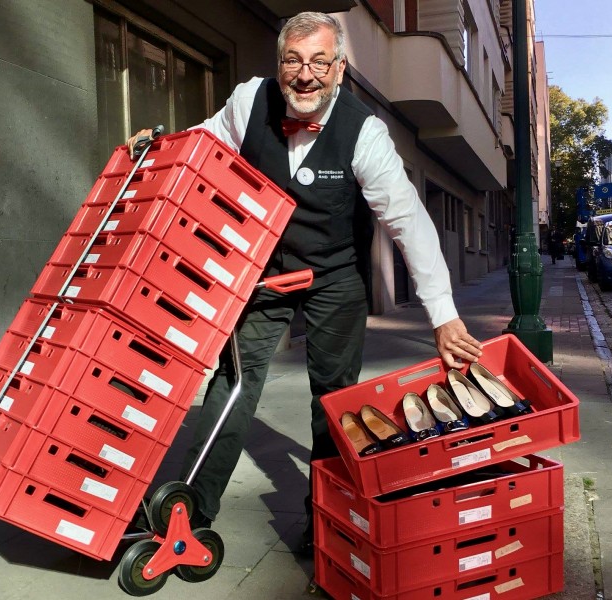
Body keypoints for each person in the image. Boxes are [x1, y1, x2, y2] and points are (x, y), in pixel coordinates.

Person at [128, 11, 482, 554]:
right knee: (233, 384)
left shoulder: (364, 132)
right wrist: (157, 148)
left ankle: (327, 522)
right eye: (293, 60)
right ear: (279, 64)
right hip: (263, 271)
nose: (305, 74)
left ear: (339, 69)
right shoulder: (250, 100)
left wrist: (443, 314)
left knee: (334, 400)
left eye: (320, 61)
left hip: (335, 277)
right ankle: (191, 510)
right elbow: (201, 142)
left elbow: (408, 220)